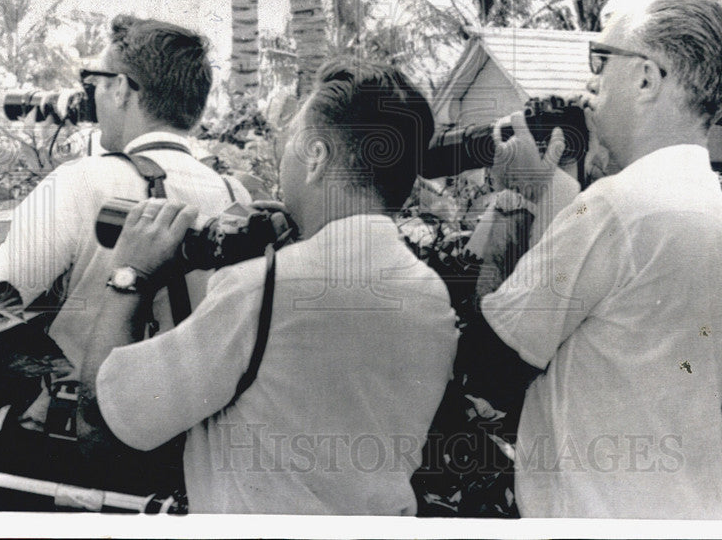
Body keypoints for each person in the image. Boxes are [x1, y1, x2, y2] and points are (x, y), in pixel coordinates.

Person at [77, 60, 459, 514]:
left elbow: (101, 419)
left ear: (316, 158)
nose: (285, 159)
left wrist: (130, 273)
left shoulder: (265, 290)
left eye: (291, 142)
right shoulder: (430, 296)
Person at [467, 0, 722, 518]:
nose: (590, 82)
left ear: (646, 77)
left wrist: (521, 198)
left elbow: (491, 363)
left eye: (602, 60)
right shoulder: (717, 216)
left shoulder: (619, 206)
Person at [0, 15, 249, 428]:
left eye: (95, 82)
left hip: (83, 441)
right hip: (191, 436)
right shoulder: (234, 195)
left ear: (120, 89)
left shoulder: (83, 180)